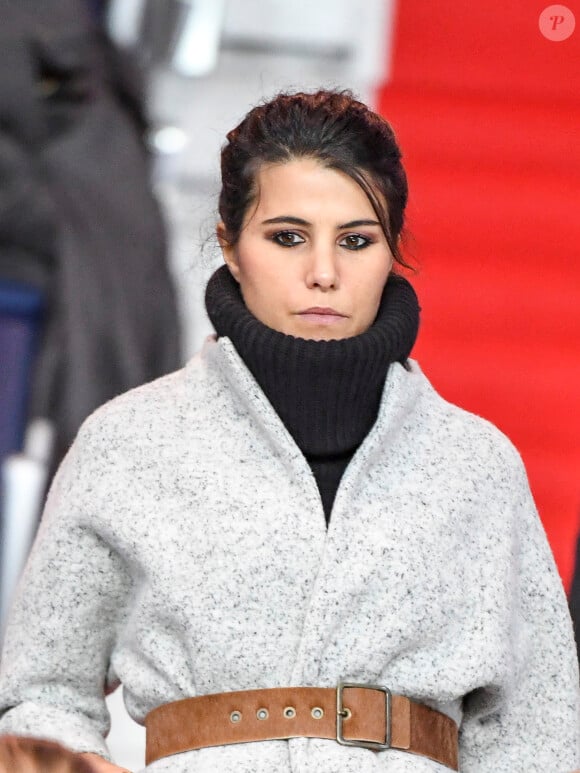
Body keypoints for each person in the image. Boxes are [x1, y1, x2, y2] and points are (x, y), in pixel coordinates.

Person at [0, 89, 578, 772]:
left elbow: (537, 733)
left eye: (357, 240)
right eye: (288, 237)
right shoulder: (127, 443)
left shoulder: (476, 464)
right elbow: (41, 693)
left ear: (393, 249)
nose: (324, 273)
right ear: (230, 244)